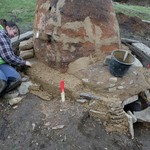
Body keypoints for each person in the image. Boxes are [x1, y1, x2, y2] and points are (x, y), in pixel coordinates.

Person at [0, 19, 32, 97]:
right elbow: (8, 56)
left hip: (1, 63)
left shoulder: (6, 36)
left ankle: (2, 93)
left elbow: (10, 54)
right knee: (2, 82)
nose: (14, 36)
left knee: (16, 78)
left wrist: (20, 61)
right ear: (8, 28)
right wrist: (23, 62)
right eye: (14, 33)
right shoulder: (1, 35)